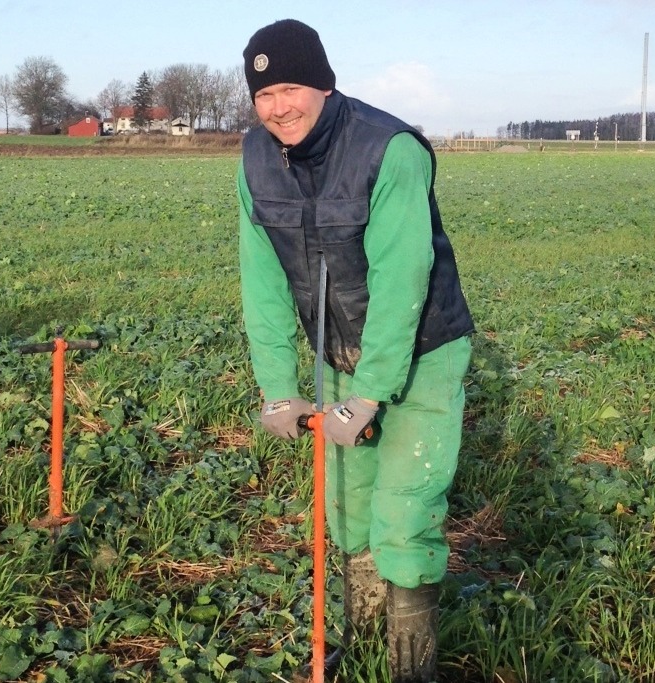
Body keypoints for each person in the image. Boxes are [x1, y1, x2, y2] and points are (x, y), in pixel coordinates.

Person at [237, 18, 474, 683]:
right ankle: (368, 635)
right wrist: (278, 385)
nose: (278, 107)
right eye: (263, 95)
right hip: (336, 352)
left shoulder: (387, 148)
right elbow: (260, 278)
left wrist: (370, 394)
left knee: (402, 511)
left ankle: (410, 667)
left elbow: (402, 278)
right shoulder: (255, 159)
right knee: (345, 505)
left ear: (321, 82)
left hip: (422, 350)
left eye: (289, 87)